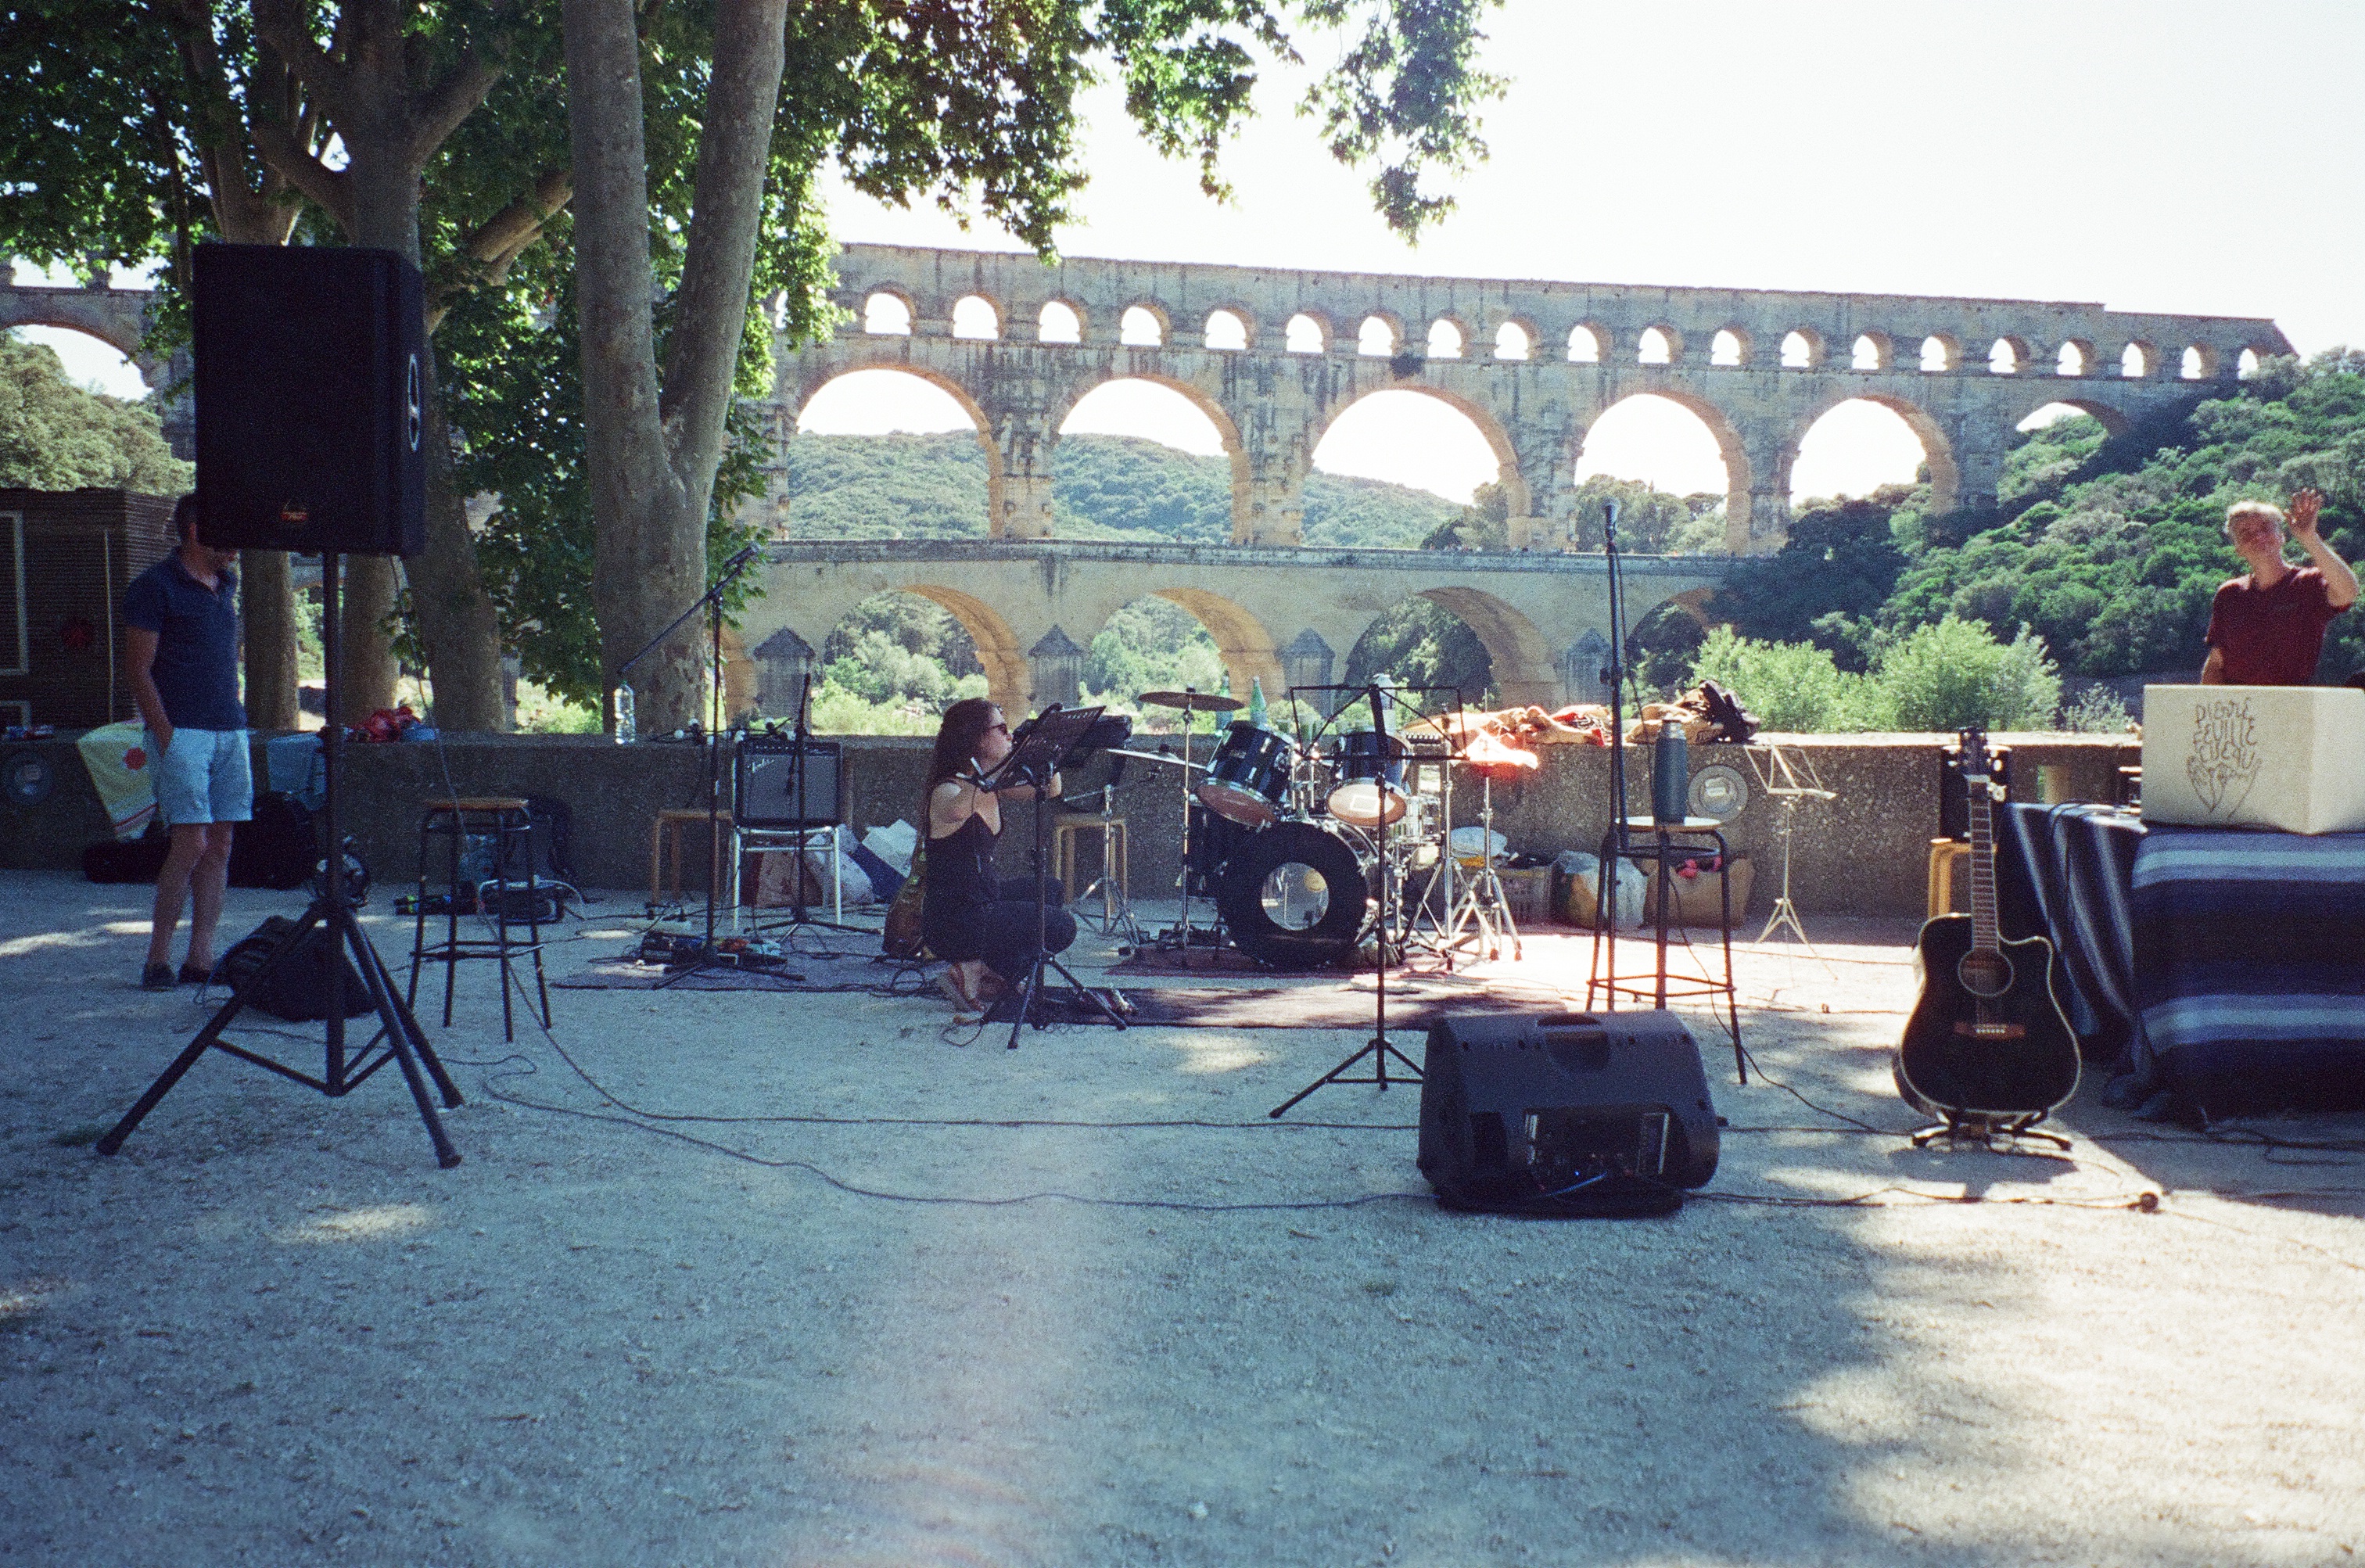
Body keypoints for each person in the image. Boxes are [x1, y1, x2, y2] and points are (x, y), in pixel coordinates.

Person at [124, 493, 251, 990]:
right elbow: (138, 670)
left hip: (229, 729)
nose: (237, 547)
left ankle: (201, 957)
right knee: (190, 842)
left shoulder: (227, 584)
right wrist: (168, 737)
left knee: (220, 843)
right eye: (228, 535)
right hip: (183, 734)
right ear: (196, 531)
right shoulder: (153, 588)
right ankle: (158, 958)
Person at [921, 696, 1075, 1012]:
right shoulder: (948, 789)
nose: (1009, 736)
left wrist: (1045, 747)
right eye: (1002, 729)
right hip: (955, 917)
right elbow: (958, 808)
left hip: (982, 898)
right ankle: (970, 967)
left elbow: (1051, 788)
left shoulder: (991, 788)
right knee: (1061, 926)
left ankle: (994, 972)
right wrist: (998, 765)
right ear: (975, 738)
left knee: (1051, 889)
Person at [2200, 487, 2357, 686]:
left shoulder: (2307, 584)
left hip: (2290, 703)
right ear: (2237, 548)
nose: (2258, 537)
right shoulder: (2229, 594)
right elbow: (2216, 662)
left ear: (2282, 537)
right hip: (2238, 709)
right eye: (2245, 533)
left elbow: (2349, 592)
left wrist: (2309, 538)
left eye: (2266, 527)